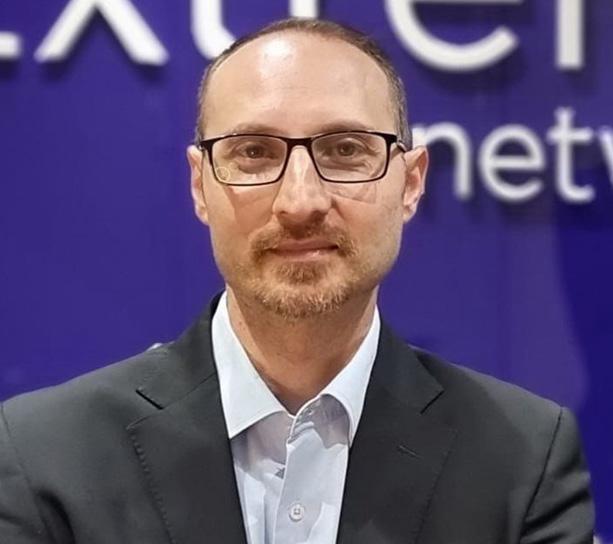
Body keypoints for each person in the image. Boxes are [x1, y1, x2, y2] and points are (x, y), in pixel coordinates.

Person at [0, 17, 594, 544]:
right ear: (200, 185)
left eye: (345, 150)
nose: (300, 201)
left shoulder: (523, 460)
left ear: (411, 184)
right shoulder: (42, 453)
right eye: (254, 153)